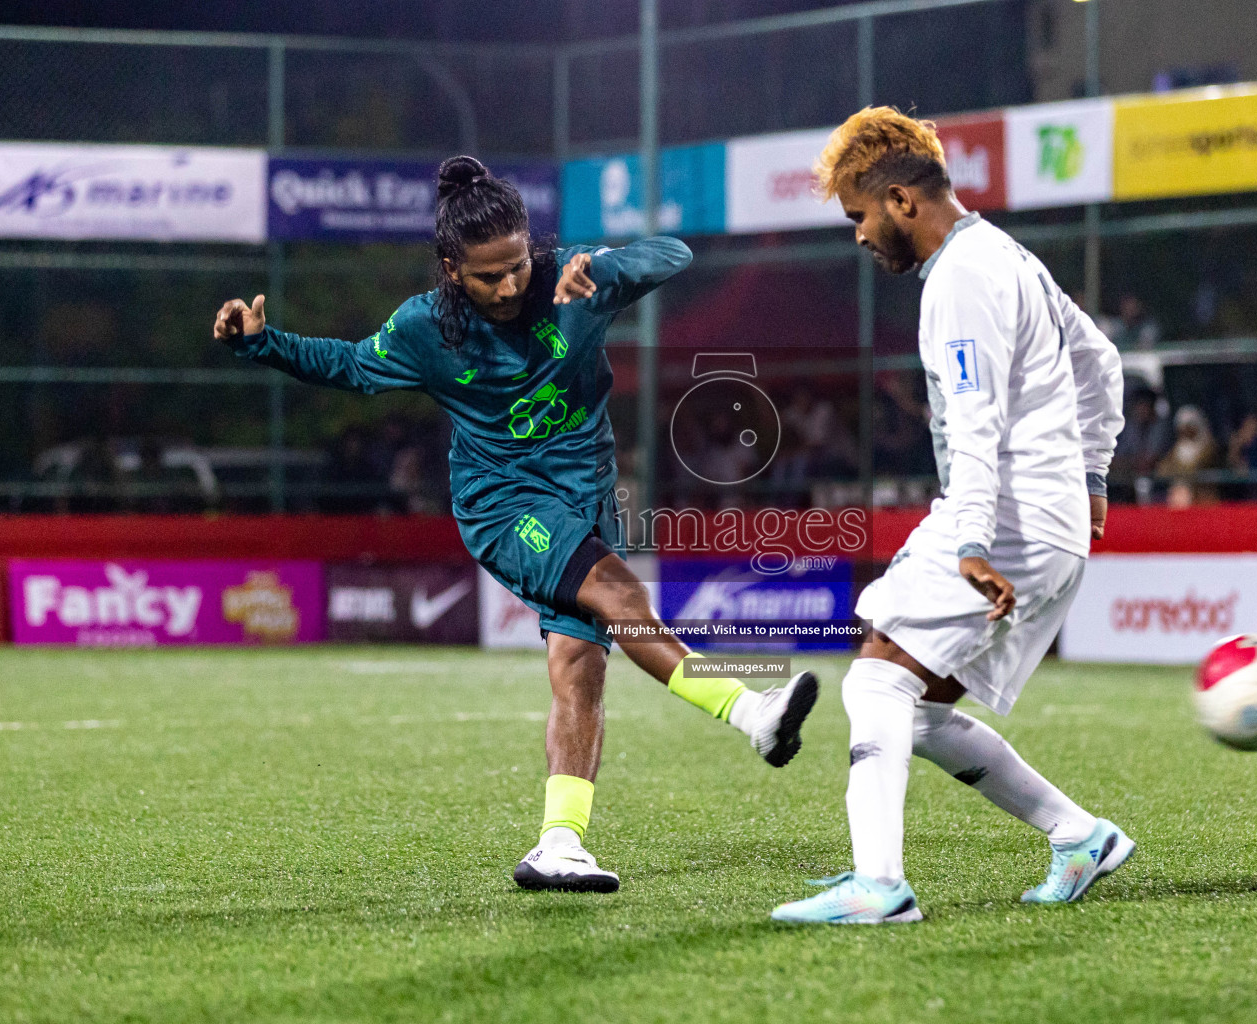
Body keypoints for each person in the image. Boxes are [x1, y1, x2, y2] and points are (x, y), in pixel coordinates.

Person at [213, 156, 819, 894]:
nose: (507, 288)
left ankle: (559, 845)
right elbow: (344, 365)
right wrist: (259, 341)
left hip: (587, 493)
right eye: (487, 275)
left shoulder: (574, 280)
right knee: (623, 599)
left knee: (580, 666)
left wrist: (597, 261)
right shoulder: (424, 329)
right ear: (448, 268)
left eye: (517, 268)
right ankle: (754, 712)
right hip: (504, 505)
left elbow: (676, 254)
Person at [770, 108, 1128, 925]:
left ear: (901, 201)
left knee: (874, 676)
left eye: (858, 216)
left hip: (1005, 519)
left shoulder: (961, 277)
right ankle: (1079, 836)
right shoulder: (1007, 254)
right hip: (1046, 518)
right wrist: (1094, 472)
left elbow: (974, 421)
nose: (857, 236)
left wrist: (970, 539)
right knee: (917, 707)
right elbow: (1098, 361)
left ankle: (878, 886)